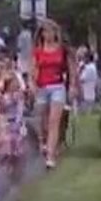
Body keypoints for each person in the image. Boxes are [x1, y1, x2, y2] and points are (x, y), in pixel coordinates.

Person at [30, 20, 75, 169]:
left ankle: (50, 155)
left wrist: (73, 85)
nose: (48, 35)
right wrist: (32, 84)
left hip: (57, 86)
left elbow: (71, 68)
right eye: (45, 32)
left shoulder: (62, 50)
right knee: (41, 119)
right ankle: (44, 142)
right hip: (42, 87)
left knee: (53, 121)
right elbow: (33, 69)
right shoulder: (38, 50)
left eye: (50, 31)